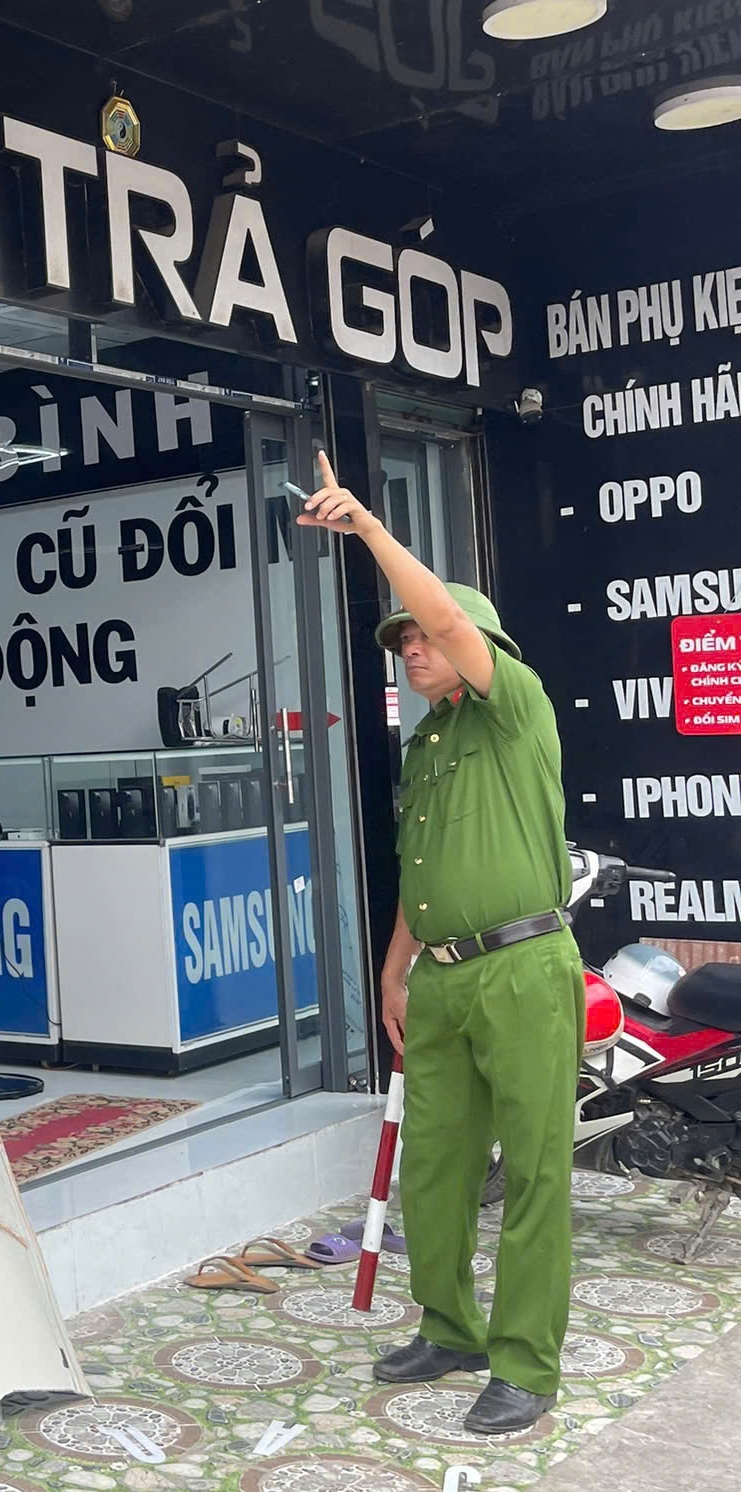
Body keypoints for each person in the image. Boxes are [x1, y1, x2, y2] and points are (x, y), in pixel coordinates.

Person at [297, 452, 581, 1435]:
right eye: (403, 642)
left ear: (474, 645)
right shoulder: (425, 742)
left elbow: (455, 622)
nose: (412, 649)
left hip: (525, 968)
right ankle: (450, 1327)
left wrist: (371, 531)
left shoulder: (516, 706)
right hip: (445, 979)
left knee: (535, 1173)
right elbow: (424, 867)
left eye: (424, 636)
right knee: (436, 1165)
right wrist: (395, 967)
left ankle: (526, 1362)